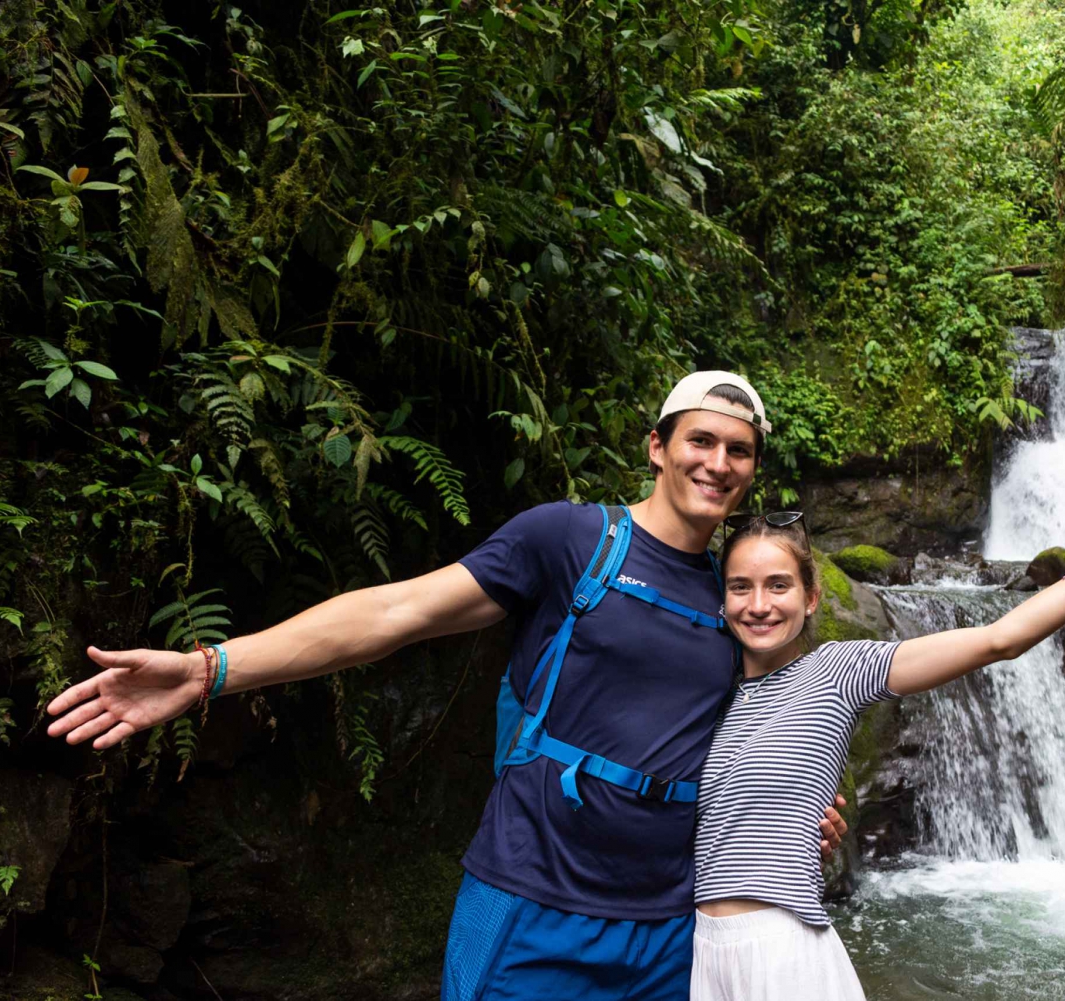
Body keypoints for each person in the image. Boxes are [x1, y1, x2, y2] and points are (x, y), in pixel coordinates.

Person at [44, 371, 848, 1001]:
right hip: (533, 898)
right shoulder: (571, 540)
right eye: (701, 440)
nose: (717, 463)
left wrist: (790, 816)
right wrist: (208, 668)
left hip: (670, 929)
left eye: (738, 450)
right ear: (657, 446)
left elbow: (739, 742)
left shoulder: (736, 597)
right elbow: (396, 612)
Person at [690, 474, 1065, 1001]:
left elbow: (997, 641)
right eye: (740, 587)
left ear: (812, 596)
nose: (759, 604)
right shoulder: (709, 695)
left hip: (783, 945)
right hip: (701, 948)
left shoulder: (836, 671)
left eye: (778, 585)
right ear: (721, 597)